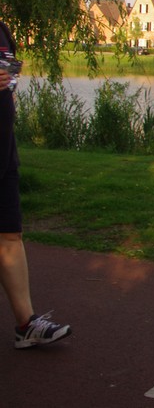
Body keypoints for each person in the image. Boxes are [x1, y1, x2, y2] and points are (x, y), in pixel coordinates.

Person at [0, 19, 72, 349]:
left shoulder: (2, 30)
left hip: (4, 151)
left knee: (9, 235)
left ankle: (26, 324)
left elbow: (9, 84)